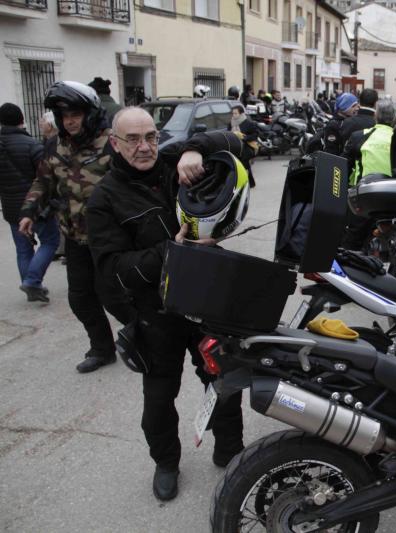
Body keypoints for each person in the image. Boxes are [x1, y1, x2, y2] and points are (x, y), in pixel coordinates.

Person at [86, 106, 248, 501]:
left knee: (224, 380)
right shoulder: (103, 199)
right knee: (159, 400)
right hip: (156, 313)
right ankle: (166, 462)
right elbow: (111, 271)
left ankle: (229, 449)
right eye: (134, 140)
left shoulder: (175, 161)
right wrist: (170, 251)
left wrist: (194, 148)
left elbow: (236, 145)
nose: (145, 148)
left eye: (151, 137)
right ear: (115, 143)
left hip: (206, 298)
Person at [18, 81, 135, 373]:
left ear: (90, 113)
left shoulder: (113, 143)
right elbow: (42, 181)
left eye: (76, 114)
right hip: (74, 236)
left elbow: (135, 183)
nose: (69, 120)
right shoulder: (55, 146)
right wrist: (29, 211)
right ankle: (102, 349)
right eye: (64, 115)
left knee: (113, 297)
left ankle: (148, 337)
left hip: (110, 237)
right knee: (80, 298)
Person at [0, 103, 58, 303]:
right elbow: (44, 177)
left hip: (10, 206)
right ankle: (32, 281)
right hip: (35, 205)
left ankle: (30, 283)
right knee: (50, 240)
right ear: (21, 120)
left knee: (23, 248)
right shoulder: (32, 145)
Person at [341, 99, 395, 249]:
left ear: (375, 116)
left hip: (362, 198)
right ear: (395, 118)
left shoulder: (359, 136)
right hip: (392, 199)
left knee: (352, 240)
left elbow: (343, 165)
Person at [228, 104, 259, 187]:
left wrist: (244, 138)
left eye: (236, 113)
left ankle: (249, 183)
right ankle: (243, 182)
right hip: (235, 147)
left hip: (247, 147)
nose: (234, 115)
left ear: (241, 114)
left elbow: (255, 135)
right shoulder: (231, 123)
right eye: (233, 113)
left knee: (244, 163)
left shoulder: (248, 123)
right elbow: (228, 133)